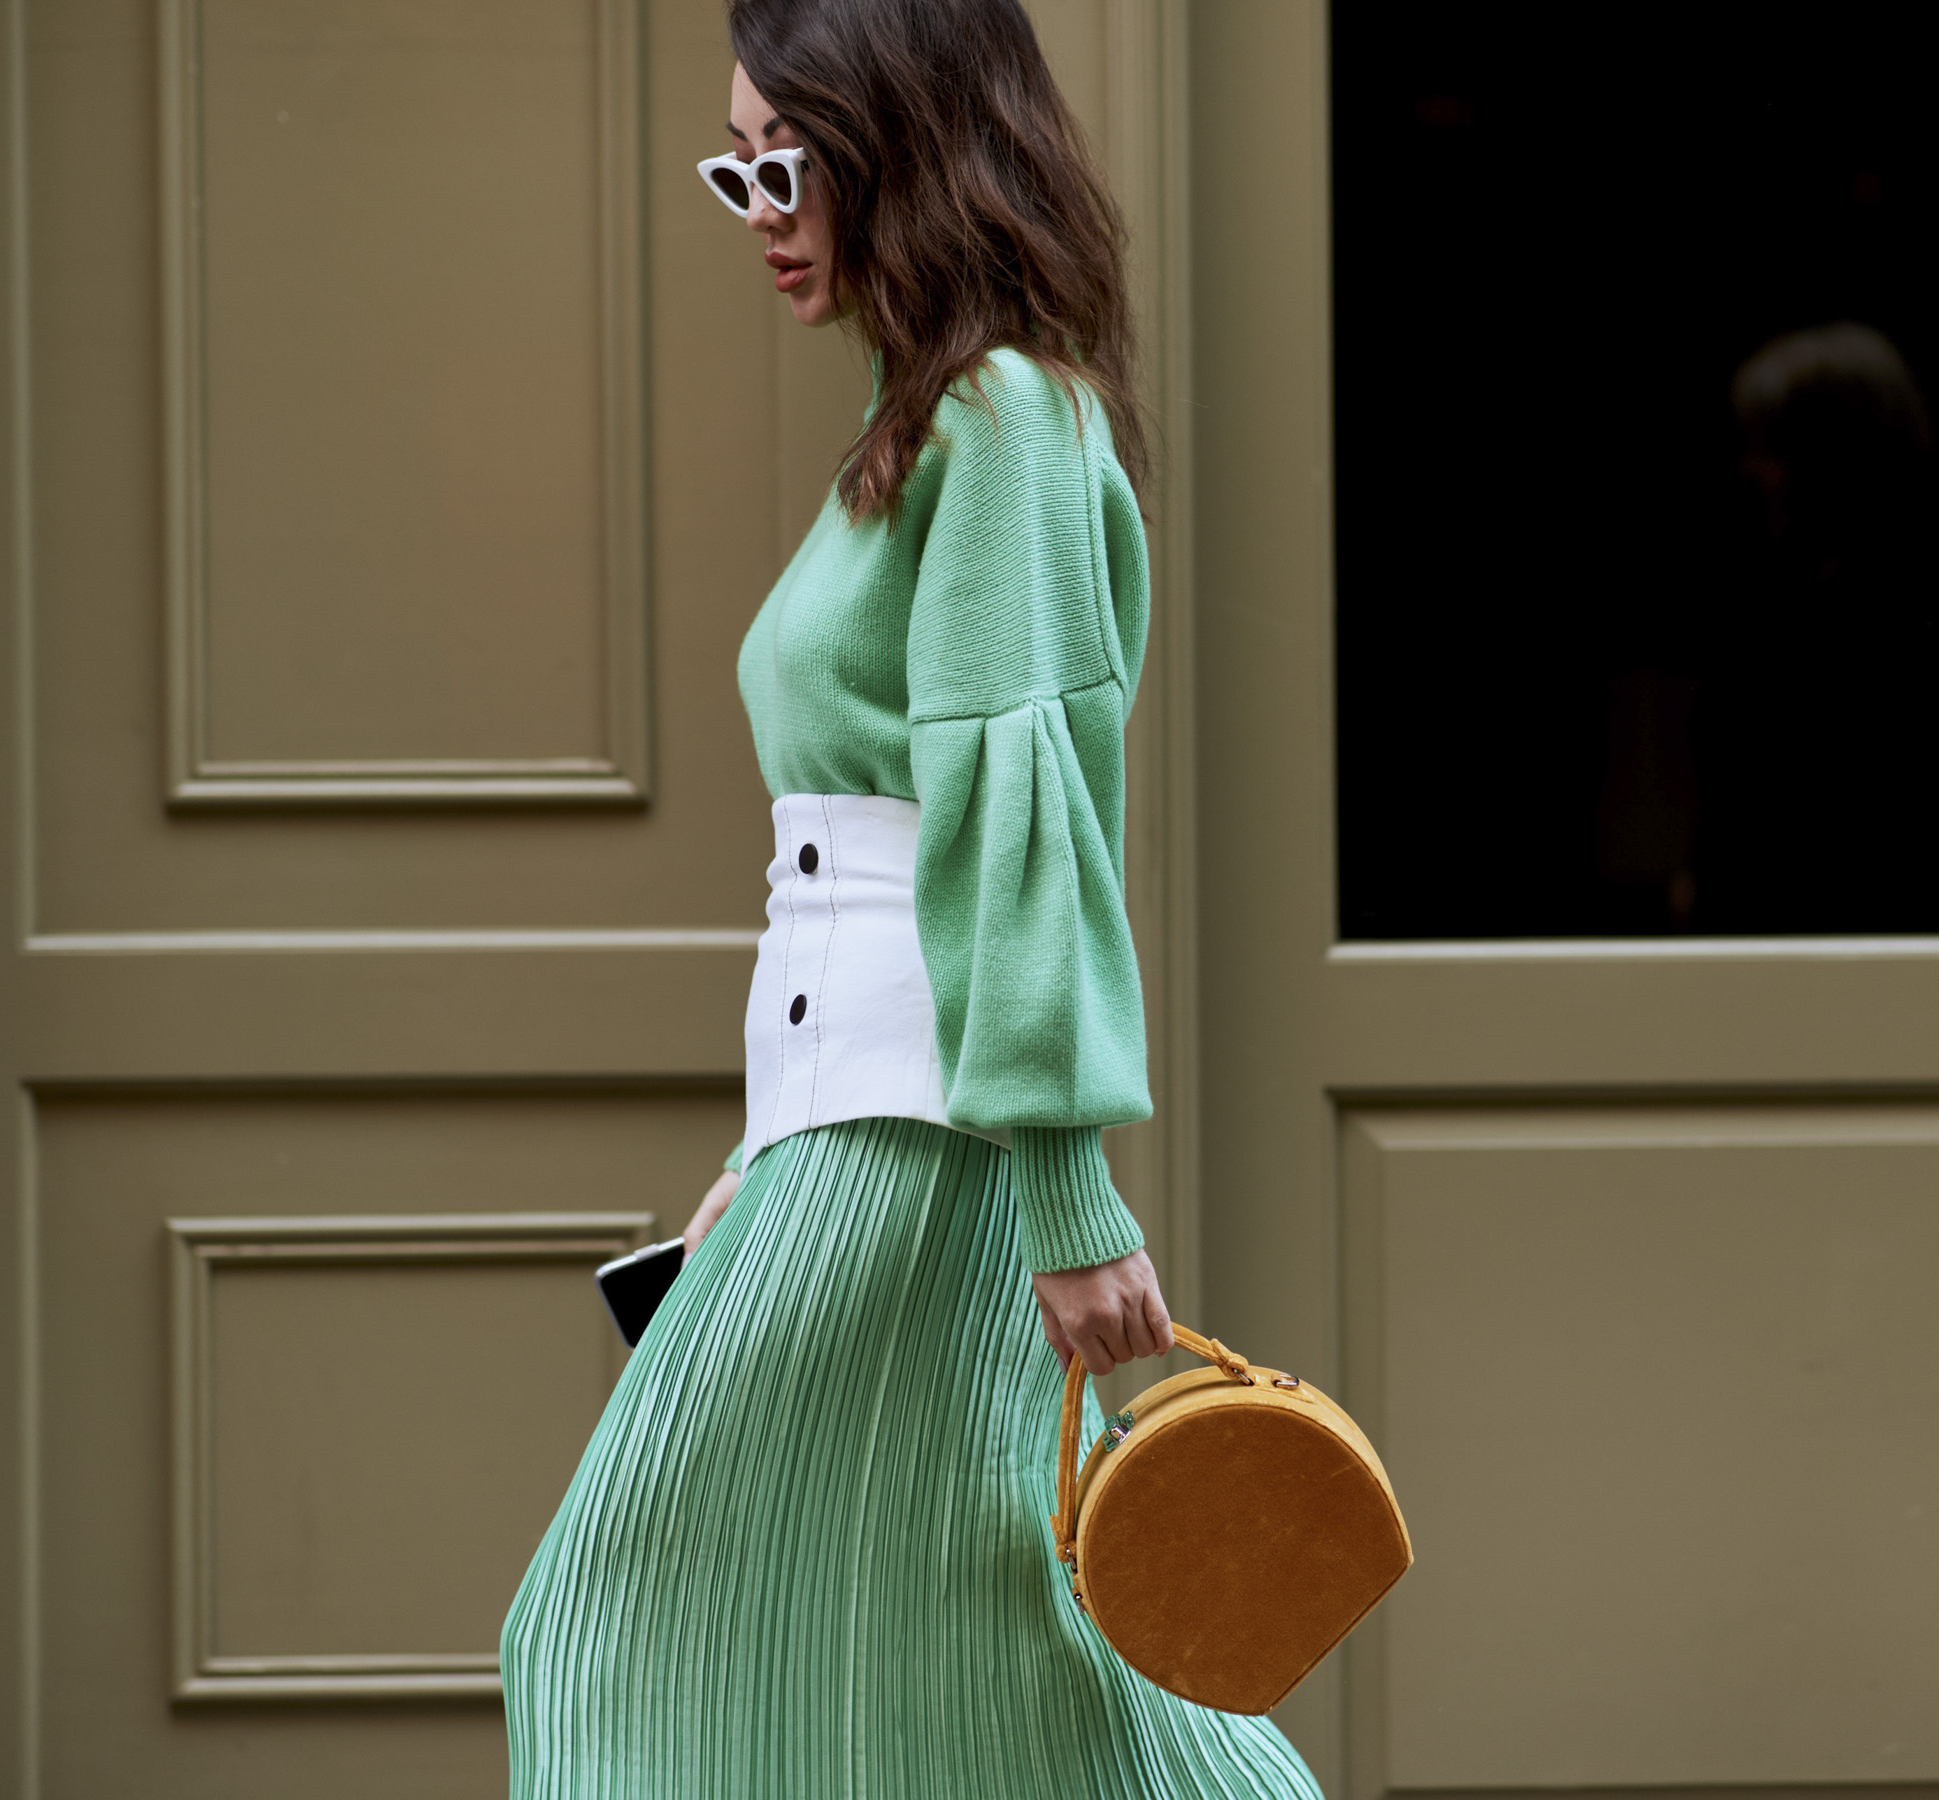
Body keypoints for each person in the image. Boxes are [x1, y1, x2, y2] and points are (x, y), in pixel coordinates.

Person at [499, 2, 1323, 1795]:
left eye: (787, 165)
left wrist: (1068, 1192)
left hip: (925, 1128)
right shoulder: (922, 424)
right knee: (978, 1646)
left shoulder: (1007, 422)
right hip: (857, 1116)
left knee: (598, 1624)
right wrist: (770, 1144)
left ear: (909, 140)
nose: (762, 214)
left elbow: (1016, 826)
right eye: (736, 173)